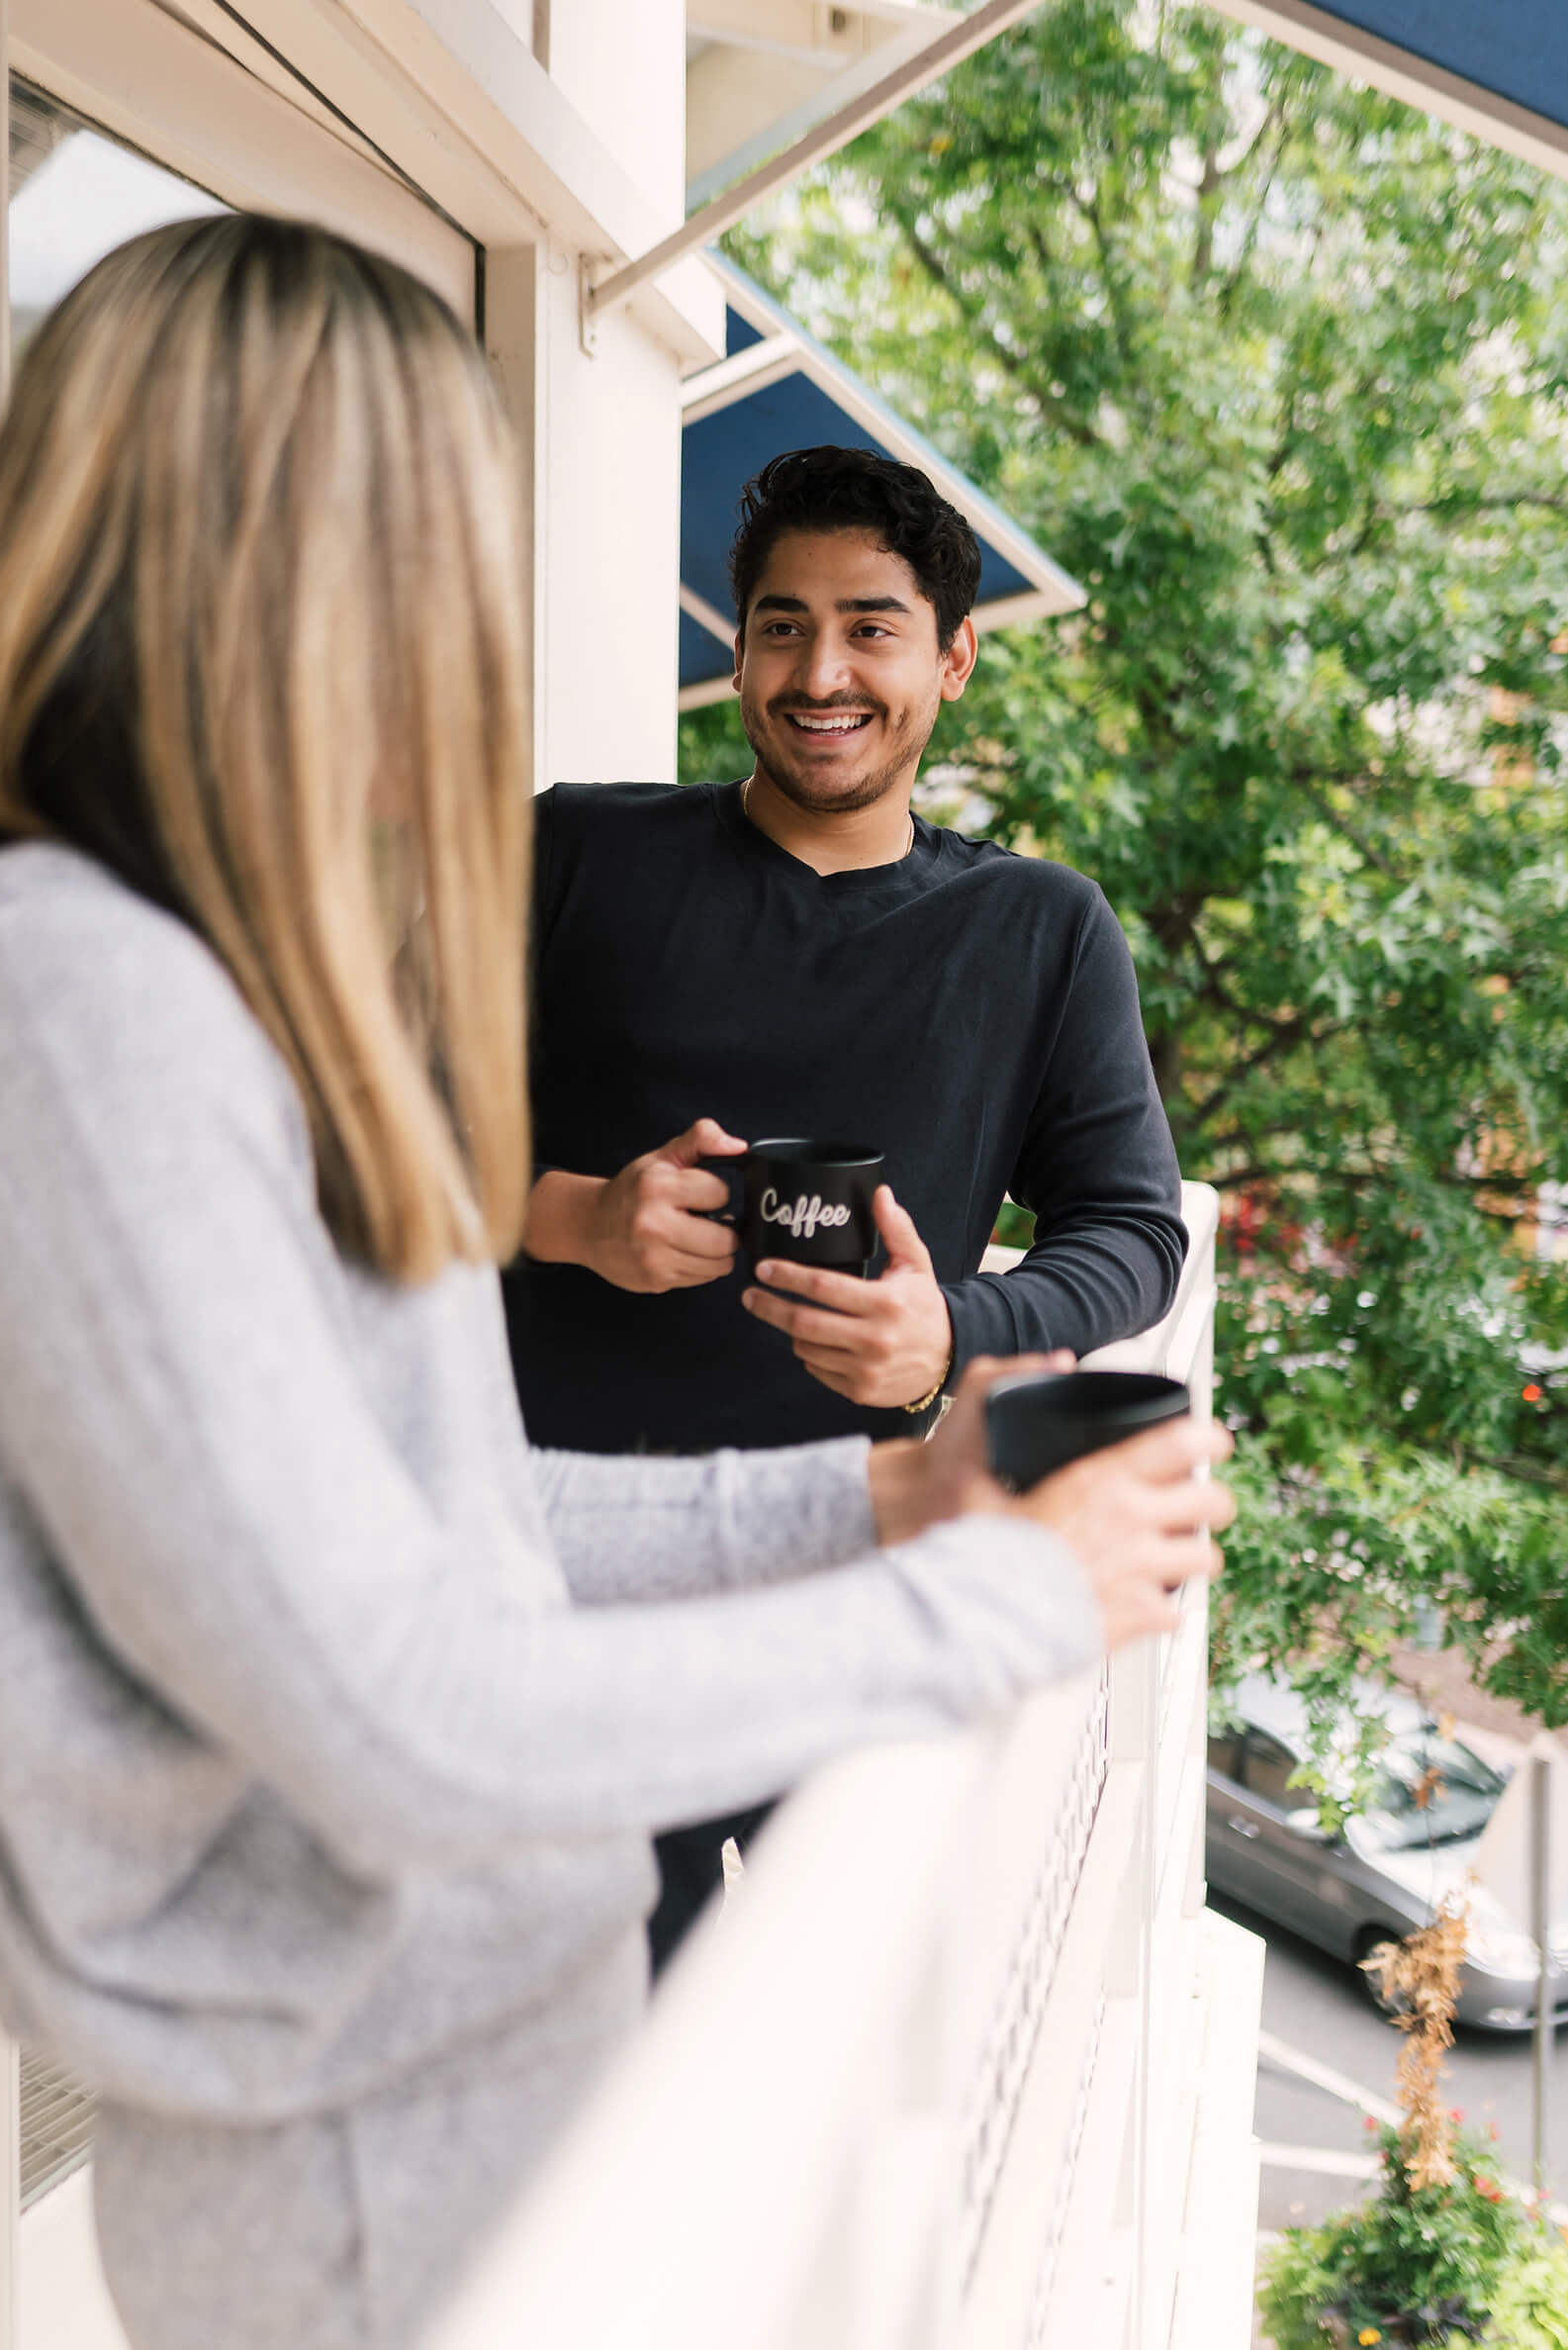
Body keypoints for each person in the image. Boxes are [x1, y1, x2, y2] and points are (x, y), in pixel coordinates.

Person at [0, 218, 1232, 2350]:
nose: (453, 636)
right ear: (283, 561)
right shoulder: (66, 1010)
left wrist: (863, 1502)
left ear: (950, 661)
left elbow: (411, 1536)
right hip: (395, 2209)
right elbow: (405, 1713)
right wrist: (995, 1604)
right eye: (432, 556)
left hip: (441, 2143)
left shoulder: (131, 977)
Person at [505, 445, 1187, 1961]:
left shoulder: (1040, 929)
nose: (822, 672)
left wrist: (949, 1335)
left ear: (950, 658)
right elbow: (374, 1148)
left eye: (872, 626)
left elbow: (1134, 1231)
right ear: (737, 647)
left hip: (852, 1572)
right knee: (607, 2045)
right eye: (780, 625)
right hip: (565, 1574)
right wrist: (576, 1219)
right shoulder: (573, 855)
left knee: (855, 2037)